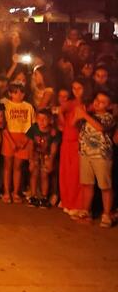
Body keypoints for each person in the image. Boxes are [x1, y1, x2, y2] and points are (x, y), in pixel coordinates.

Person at [74, 92, 115, 226]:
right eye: (97, 99)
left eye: (103, 102)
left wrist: (84, 115)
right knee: (87, 184)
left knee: (105, 186)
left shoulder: (109, 117)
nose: (98, 103)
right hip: (86, 154)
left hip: (101, 156)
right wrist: (78, 115)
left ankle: (107, 214)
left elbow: (100, 127)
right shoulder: (89, 115)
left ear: (109, 106)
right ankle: (86, 210)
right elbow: (75, 125)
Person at [1, 83, 34, 203]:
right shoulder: (6, 105)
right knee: (7, 166)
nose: (18, 95)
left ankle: (16, 192)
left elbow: (33, 124)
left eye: (21, 92)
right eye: (15, 92)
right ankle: (6, 192)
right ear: (10, 93)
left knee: (18, 167)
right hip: (9, 136)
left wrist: (25, 139)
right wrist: (11, 141)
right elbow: (3, 125)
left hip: (23, 137)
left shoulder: (28, 107)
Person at [57, 85, 84, 215]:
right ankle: (67, 201)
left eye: (80, 88)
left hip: (77, 142)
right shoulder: (71, 104)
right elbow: (63, 122)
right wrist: (61, 115)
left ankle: (77, 204)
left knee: (76, 175)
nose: (76, 91)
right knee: (66, 173)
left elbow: (74, 123)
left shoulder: (86, 105)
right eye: (74, 88)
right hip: (67, 140)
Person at [25, 109, 60, 208]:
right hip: (35, 155)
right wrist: (31, 160)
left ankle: (44, 197)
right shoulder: (33, 129)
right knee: (34, 174)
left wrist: (51, 160)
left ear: (50, 120)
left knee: (44, 175)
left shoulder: (53, 132)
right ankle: (33, 196)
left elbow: (54, 148)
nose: (41, 121)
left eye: (45, 119)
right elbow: (30, 145)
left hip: (46, 156)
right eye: (39, 119)